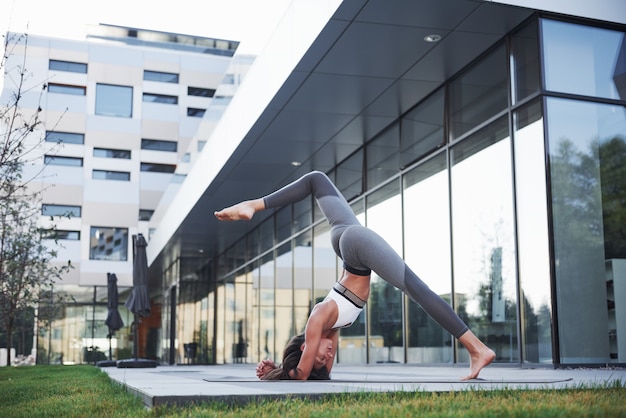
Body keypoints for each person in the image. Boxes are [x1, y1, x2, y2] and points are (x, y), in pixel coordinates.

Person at [215, 171, 495, 380]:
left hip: (354, 245)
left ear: (304, 348)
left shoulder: (317, 319)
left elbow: (300, 375)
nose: (326, 357)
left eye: (317, 358)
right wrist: (282, 369)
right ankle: (253, 204)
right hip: (348, 245)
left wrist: (276, 372)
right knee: (316, 180)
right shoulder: (332, 331)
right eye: (325, 362)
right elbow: (315, 371)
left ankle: (477, 349)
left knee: (417, 289)